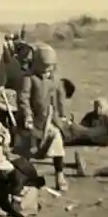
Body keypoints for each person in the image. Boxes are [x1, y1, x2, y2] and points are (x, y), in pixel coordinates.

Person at [18, 42, 70, 192]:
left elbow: (60, 97)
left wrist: (63, 114)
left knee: (57, 140)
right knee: (27, 147)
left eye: (50, 67)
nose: (47, 70)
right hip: (33, 120)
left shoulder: (55, 78)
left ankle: (59, 175)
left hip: (49, 119)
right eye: (45, 66)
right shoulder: (29, 78)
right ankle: (26, 174)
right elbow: (24, 99)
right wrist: (27, 115)